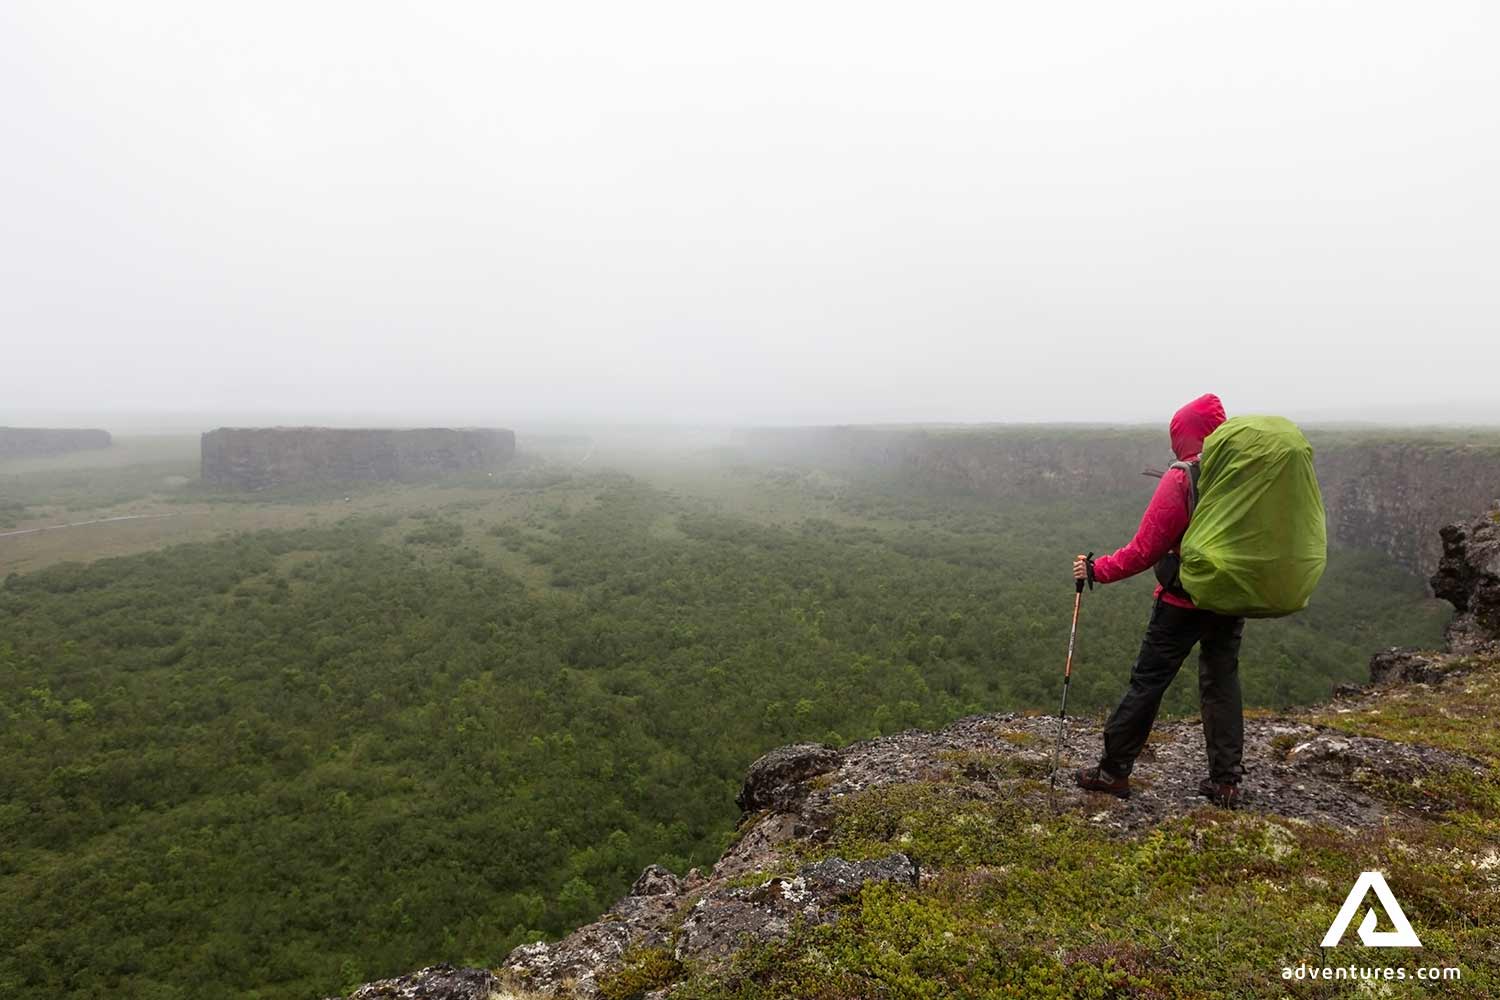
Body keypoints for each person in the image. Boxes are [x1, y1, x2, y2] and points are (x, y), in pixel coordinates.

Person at [1071, 392, 1246, 807]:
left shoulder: (1183, 477)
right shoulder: (1242, 475)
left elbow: (1145, 549)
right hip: (1231, 598)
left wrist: (1097, 570)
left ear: (1186, 434)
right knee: (1222, 683)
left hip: (1182, 602)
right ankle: (1225, 781)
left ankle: (1113, 772)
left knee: (1148, 682)